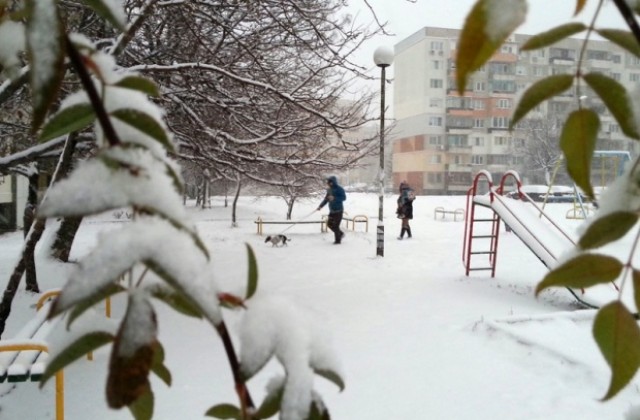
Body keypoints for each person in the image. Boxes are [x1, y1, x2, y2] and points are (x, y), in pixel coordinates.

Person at [317, 175, 346, 244]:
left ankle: (337, 241)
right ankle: (340, 234)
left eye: (330, 182)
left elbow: (344, 198)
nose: (328, 183)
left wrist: (334, 198)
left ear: (333, 182)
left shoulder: (340, 189)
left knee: (336, 226)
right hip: (332, 211)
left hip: (339, 210)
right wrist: (320, 206)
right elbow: (326, 199)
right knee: (329, 224)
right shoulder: (329, 190)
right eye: (328, 182)